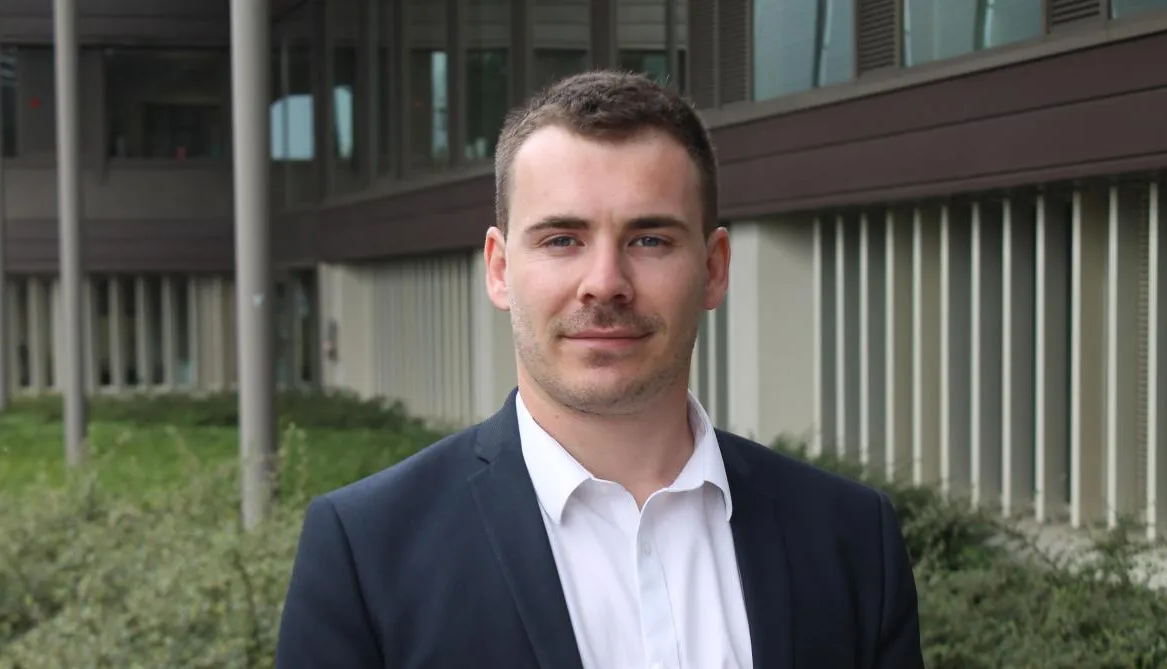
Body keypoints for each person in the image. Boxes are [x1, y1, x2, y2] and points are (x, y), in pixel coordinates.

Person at [275, 70, 925, 669]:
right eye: (562, 239)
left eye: (650, 239)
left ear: (714, 269)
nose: (605, 282)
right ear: (499, 269)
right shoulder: (367, 551)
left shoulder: (850, 538)